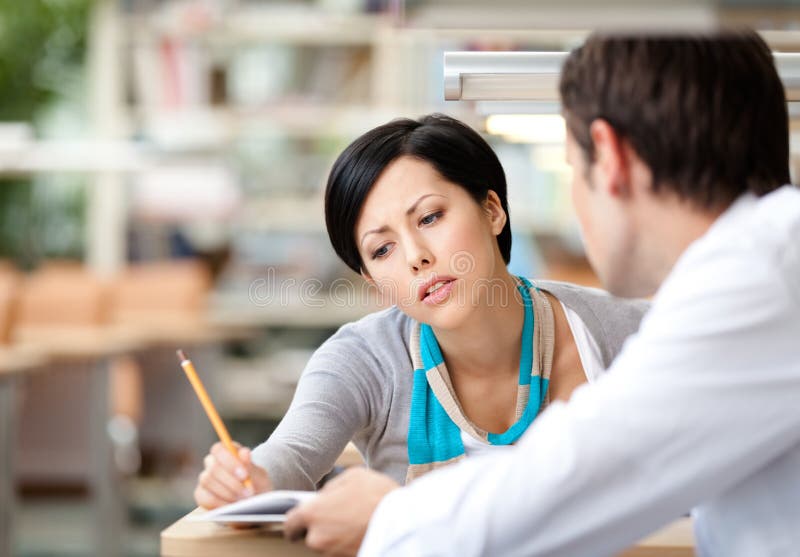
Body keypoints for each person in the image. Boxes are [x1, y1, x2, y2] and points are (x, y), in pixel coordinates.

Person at [283, 31, 800, 557]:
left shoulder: (759, 280)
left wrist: (391, 516)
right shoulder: (766, 260)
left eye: (574, 168)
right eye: (382, 249)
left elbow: (597, 467)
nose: (416, 255)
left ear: (611, 157)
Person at [193, 114, 648, 508]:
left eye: (429, 217)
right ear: (373, 281)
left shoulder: (623, 332)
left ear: (491, 210)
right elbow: (290, 455)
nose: (416, 257)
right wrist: (250, 479)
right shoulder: (362, 360)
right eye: (383, 248)